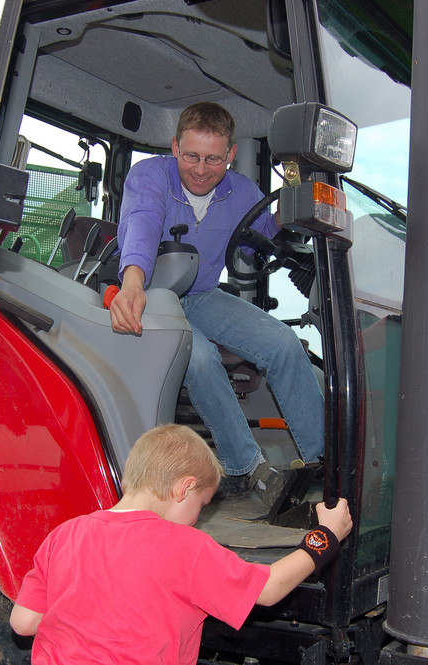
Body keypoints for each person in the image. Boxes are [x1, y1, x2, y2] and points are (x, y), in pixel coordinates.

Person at [109, 101, 325, 505]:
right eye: (191, 155)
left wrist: (298, 209)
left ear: (231, 155)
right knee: (202, 359)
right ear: (174, 147)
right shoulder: (151, 177)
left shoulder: (241, 190)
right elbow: (141, 223)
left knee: (283, 344)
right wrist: (132, 282)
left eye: (213, 158)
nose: (201, 168)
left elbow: (265, 229)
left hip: (202, 295)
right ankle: (249, 470)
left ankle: (323, 460)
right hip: (154, 297)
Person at [10, 423, 353, 665]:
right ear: (184, 488)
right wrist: (326, 537)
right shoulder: (185, 546)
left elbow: (23, 623)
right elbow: (269, 589)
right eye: (201, 506)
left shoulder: (64, 535)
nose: (197, 518)